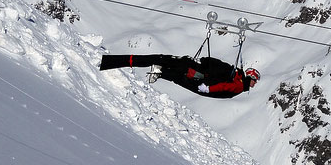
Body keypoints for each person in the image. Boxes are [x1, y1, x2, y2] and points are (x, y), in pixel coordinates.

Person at [99, 54, 260, 99]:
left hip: (202, 75)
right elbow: (224, 87)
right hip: (204, 85)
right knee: (180, 78)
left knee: (176, 70)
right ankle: (160, 72)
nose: (253, 84)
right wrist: (208, 88)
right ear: (250, 77)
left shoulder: (236, 75)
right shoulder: (239, 84)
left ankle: (159, 71)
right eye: (254, 81)